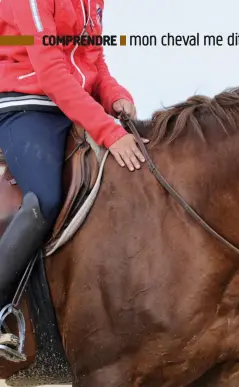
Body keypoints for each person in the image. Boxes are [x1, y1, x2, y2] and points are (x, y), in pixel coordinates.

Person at [0, 0, 146, 357]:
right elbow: (50, 71)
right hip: (24, 105)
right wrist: (109, 132)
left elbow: (93, 60)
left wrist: (116, 96)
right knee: (45, 199)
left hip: (75, 105)